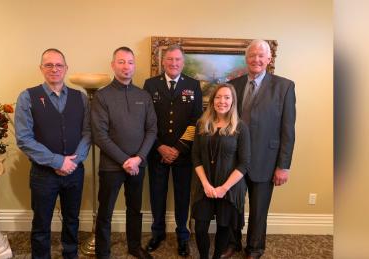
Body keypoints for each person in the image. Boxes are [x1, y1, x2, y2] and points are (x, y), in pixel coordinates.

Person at [222, 39, 296, 259]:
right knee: (232, 205)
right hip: (234, 158)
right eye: (252, 55)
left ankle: (254, 248)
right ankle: (232, 244)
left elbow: (288, 130)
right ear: (246, 59)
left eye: (261, 55)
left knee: (258, 209)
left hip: (267, 158)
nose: (256, 59)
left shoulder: (284, 86)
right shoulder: (233, 85)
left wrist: (283, 166)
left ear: (269, 59)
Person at [15, 48, 91, 259]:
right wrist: (58, 162)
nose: (54, 69)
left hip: (75, 171)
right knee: (41, 223)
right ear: (41, 69)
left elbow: (87, 132)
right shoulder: (27, 97)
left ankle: (70, 254)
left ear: (66, 69)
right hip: (43, 174)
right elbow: (24, 138)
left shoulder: (81, 98)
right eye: (49, 65)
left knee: (72, 219)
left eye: (59, 65)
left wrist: (74, 162)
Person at [91, 46, 157, 259]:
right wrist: (124, 160)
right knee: (105, 212)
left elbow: (152, 129)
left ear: (134, 66)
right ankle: (102, 252)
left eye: (130, 62)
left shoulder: (143, 96)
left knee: (135, 209)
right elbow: (99, 135)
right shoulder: (102, 96)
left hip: (138, 164)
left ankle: (134, 246)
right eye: (121, 62)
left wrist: (138, 158)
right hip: (111, 166)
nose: (126, 66)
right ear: (113, 65)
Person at [143, 44, 203, 256]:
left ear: (183, 62)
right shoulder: (150, 85)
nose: (174, 63)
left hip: (183, 153)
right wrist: (160, 146)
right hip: (157, 151)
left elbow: (195, 121)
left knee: (182, 196)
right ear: (163, 61)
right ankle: (157, 233)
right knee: (157, 194)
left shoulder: (193, 85)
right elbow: (147, 120)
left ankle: (182, 235)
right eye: (170, 59)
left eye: (178, 60)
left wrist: (177, 148)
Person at [191, 83, 250, 259]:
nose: (221, 101)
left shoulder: (240, 128)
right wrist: (206, 185)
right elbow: (196, 158)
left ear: (233, 101)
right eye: (218, 97)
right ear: (212, 100)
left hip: (229, 188)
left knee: (224, 227)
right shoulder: (202, 125)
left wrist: (223, 188)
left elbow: (244, 164)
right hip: (205, 186)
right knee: (200, 228)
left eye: (226, 97)